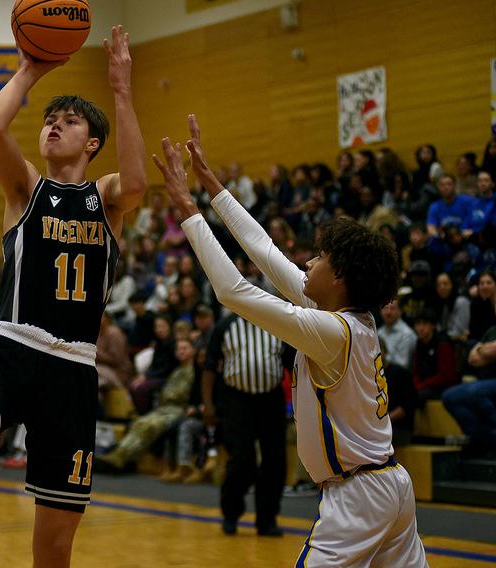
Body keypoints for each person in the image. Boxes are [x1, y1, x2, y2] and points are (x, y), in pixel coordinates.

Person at [153, 115, 426, 567]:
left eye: (319, 257)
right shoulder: (345, 318)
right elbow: (263, 250)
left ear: (338, 277)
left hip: (359, 496)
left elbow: (233, 291)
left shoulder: (330, 331)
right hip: (390, 485)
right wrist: (212, 184)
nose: (308, 261)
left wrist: (187, 208)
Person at [0, 25, 147, 568]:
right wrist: (32, 67)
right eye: (50, 119)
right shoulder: (26, 188)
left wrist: (121, 91)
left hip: (73, 368)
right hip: (11, 346)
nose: (54, 125)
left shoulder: (108, 199)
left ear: (92, 143)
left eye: (69, 121)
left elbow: (140, 183)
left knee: (54, 551)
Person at [202, 313, 285, 537]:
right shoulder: (224, 326)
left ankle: (267, 520)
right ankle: (231, 513)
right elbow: (209, 366)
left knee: (274, 460)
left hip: (271, 400)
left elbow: (294, 365)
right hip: (236, 400)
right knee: (241, 459)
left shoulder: (277, 322)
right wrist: (208, 404)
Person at [94, 338, 196, 472]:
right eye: (179, 349)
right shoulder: (176, 370)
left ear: (193, 350)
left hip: (179, 408)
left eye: (185, 348)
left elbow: (181, 395)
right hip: (164, 407)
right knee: (138, 422)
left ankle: (121, 456)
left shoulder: (195, 371)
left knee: (148, 425)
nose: (181, 351)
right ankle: (123, 457)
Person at [442, 290, 496, 459]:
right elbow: (473, 358)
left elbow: (485, 354)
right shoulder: (493, 331)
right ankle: (481, 438)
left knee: (476, 392)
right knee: (449, 397)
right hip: (486, 381)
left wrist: (484, 351)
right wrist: (490, 350)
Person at [412, 308, 457, 403]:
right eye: (418, 324)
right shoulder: (419, 343)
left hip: (442, 388)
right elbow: (416, 371)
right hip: (425, 385)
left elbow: (445, 377)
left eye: (424, 324)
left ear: (432, 326)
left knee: (415, 397)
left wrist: (421, 385)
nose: (421, 328)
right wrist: (415, 385)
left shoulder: (442, 344)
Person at [377, 299, 417, 370]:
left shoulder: (407, 334)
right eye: (385, 308)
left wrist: (383, 357)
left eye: (392, 308)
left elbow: (403, 364)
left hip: (399, 377)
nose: (388, 312)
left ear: (400, 311)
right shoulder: (379, 332)